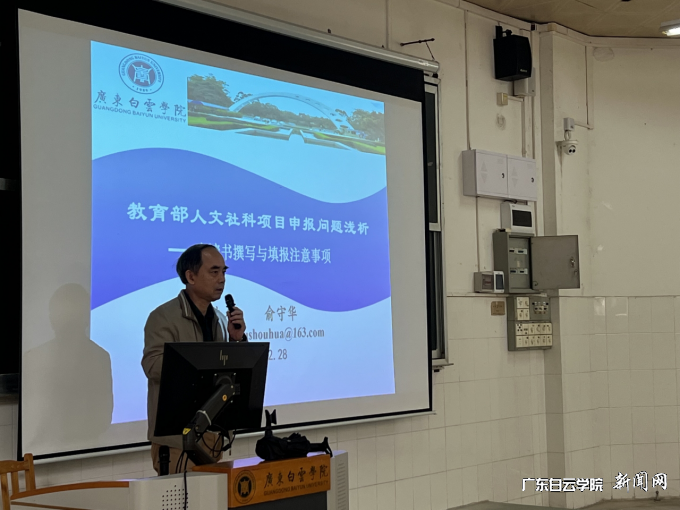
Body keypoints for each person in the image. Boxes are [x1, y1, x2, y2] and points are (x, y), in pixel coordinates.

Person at [142, 244, 247, 474]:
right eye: (214, 272)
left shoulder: (221, 320)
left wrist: (236, 341)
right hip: (176, 441)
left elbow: (230, 374)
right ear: (190, 276)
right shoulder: (163, 317)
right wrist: (196, 364)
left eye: (223, 272)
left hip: (212, 436)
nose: (221, 279)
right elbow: (152, 366)